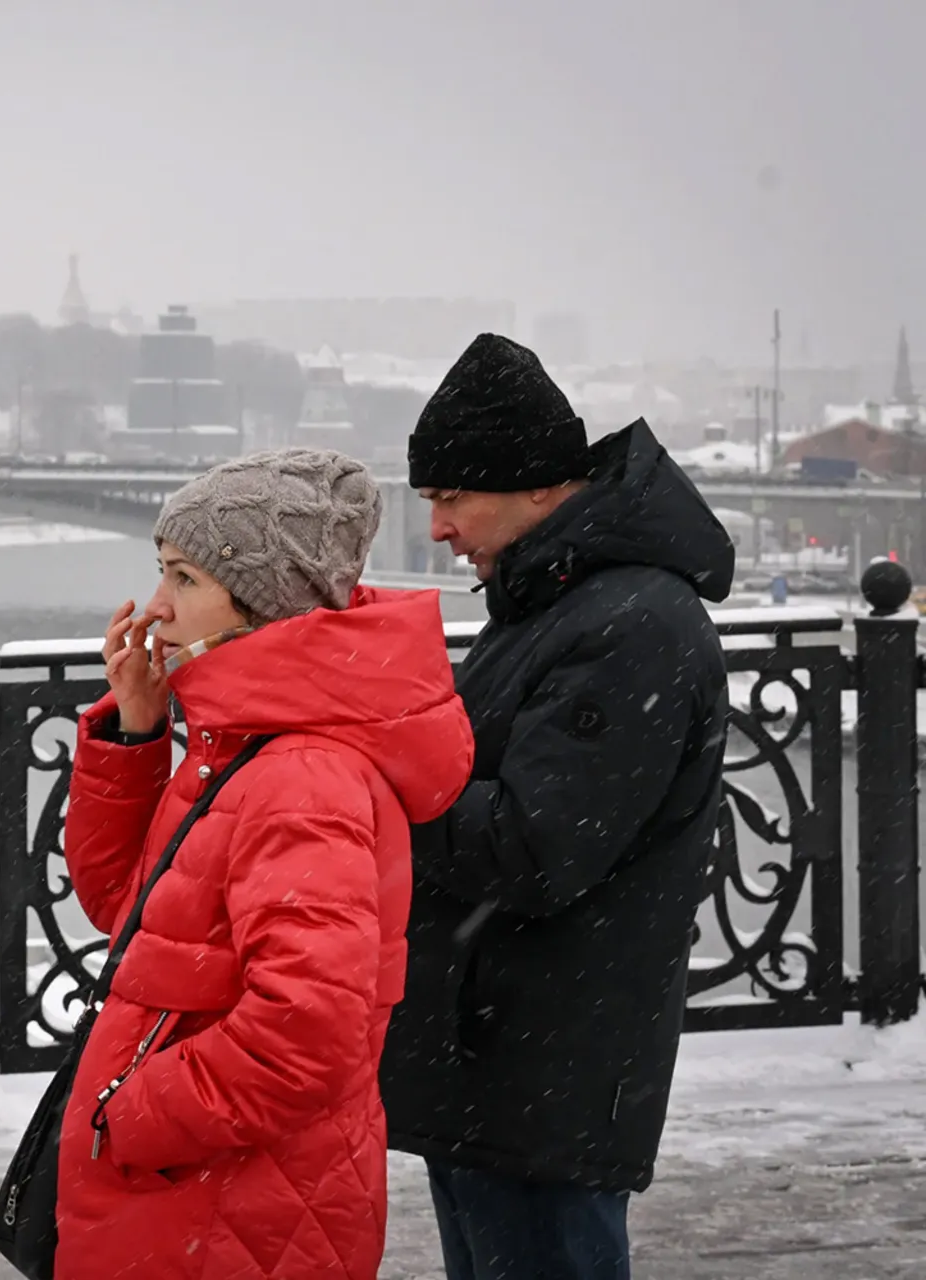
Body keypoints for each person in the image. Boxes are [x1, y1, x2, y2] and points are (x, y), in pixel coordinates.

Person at [52, 448, 474, 1279]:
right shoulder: (241, 745)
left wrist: (132, 1115)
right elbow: (128, 913)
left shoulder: (300, 775)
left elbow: (306, 1033)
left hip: (225, 1203)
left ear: (259, 605)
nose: (157, 609)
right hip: (205, 1196)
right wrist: (138, 731)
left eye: (184, 579)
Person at [381, 333, 736, 1280]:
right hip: (497, 1067)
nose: (440, 529)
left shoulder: (628, 628)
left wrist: (381, 775)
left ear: (538, 485)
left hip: (544, 1079)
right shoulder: (552, 602)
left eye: (452, 499)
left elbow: (531, 848)